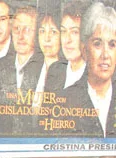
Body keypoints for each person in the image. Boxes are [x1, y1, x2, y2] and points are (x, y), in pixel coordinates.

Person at [61, 2, 116, 137]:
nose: (105, 55)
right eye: (97, 44)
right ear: (84, 50)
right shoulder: (63, 102)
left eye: (112, 44)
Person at [45, 0, 87, 92]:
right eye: (64, 31)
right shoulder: (55, 70)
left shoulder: (94, 78)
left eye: (74, 32)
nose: (67, 40)